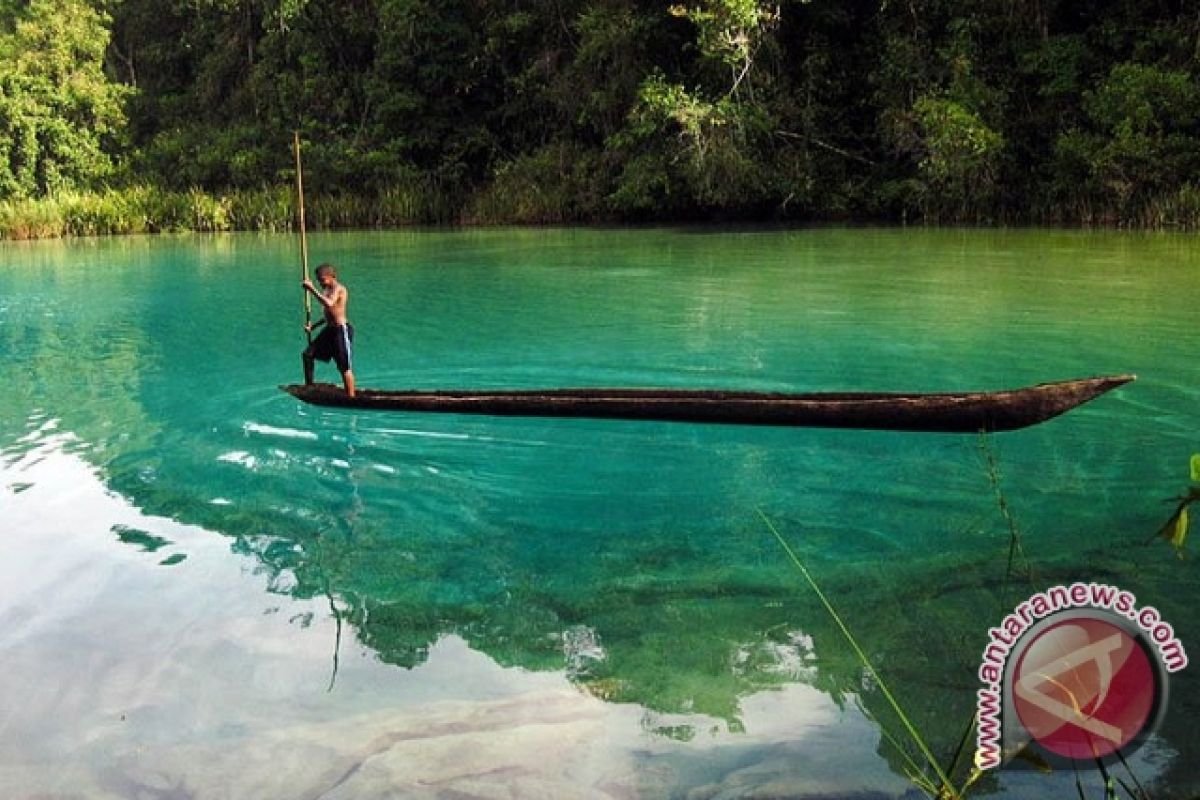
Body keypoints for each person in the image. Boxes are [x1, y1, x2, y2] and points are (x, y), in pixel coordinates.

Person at [301, 263, 356, 397]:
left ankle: (351, 397)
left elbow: (329, 303)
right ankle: (310, 386)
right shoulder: (327, 290)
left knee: (344, 367)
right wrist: (313, 326)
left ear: (332, 277)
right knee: (307, 355)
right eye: (318, 280)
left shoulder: (339, 289)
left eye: (322, 279)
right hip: (329, 330)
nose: (320, 282)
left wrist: (312, 289)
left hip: (340, 330)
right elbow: (330, 314)